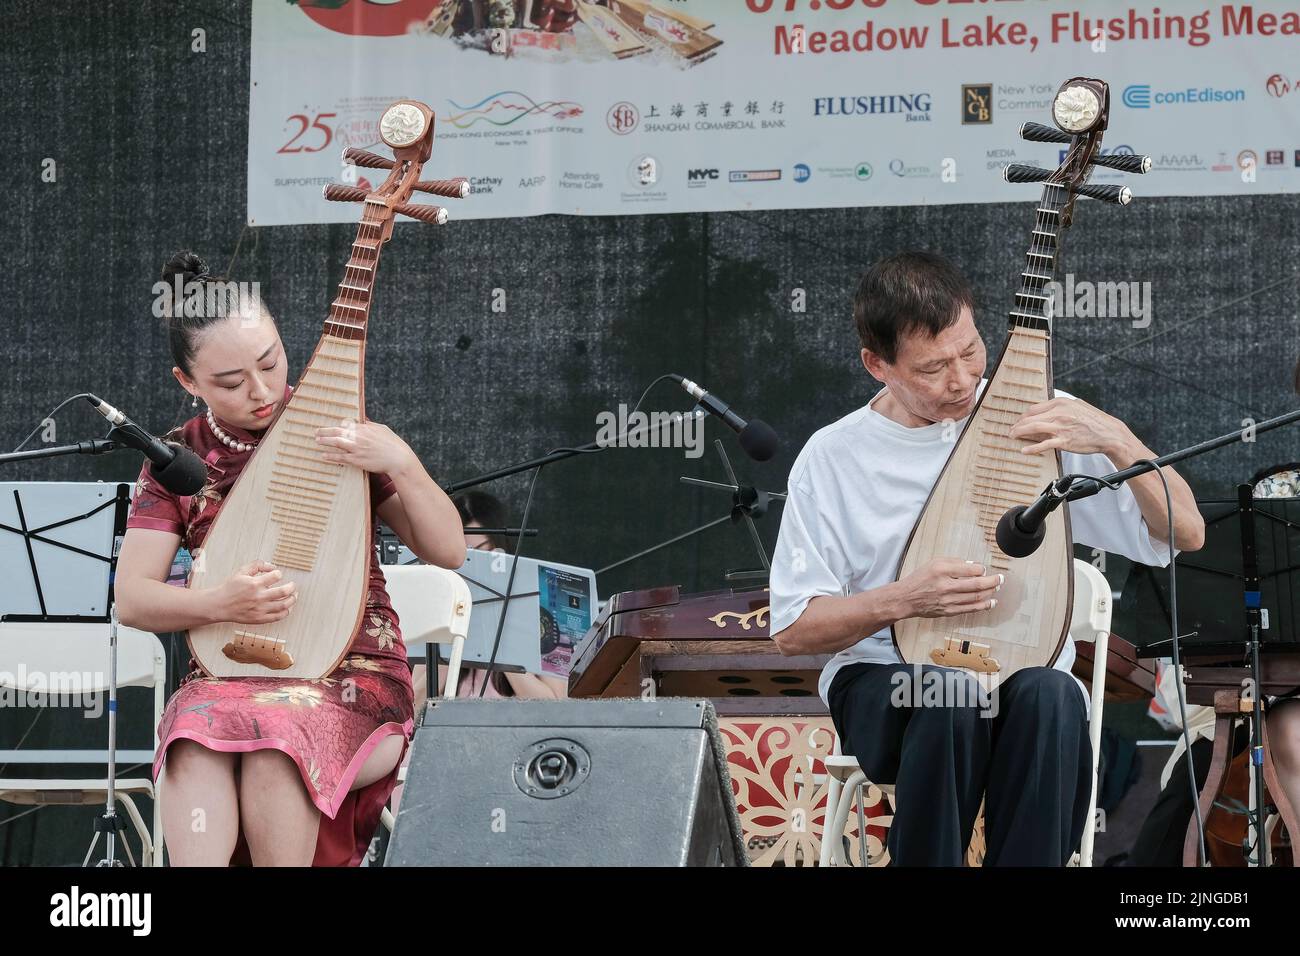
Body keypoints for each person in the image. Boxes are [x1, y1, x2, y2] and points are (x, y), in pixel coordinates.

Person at [769, 251, 1206, 866]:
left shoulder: (1040, 420)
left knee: (1054, 697)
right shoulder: (834, 456)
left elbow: (1186, 531)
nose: (962, 379)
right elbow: (792, 628)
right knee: (948, 693)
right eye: (933, 367)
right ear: (877, 365)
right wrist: (906, 599)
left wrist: (1113, 436)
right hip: (886, 683)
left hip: (1021, 684)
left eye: (970, 351)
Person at [115, 252, 465, 866]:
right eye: (229, 381)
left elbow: (449, 550)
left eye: (271, 362)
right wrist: (217, 603)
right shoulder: (177, 460)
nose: (260, 390)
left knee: (276, 741)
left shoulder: (335, 429)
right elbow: (133, 599)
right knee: (195, 738)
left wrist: (400, 460)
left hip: (353, 675)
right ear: (187, 382)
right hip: (228, 674)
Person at [409, 490, 568, 701]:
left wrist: (498, 633)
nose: (472, 564)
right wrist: (450, 646)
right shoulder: (438, 613)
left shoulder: (544, 608)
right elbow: (412, 708)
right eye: (463, 554)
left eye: (483, 552)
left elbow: (557, 708)